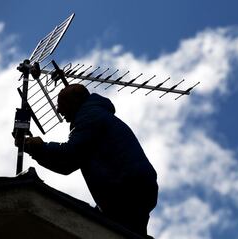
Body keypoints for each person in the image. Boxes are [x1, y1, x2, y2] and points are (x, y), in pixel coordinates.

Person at [23, 84, 158, 237]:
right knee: (127, 233)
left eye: (62, 105)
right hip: (135, 187)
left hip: (125, 187)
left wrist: (39, 148)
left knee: (120, 231)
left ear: (75, 102)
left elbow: (69, 157)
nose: (59, 111)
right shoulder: (96, 114)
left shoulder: (90, 116)